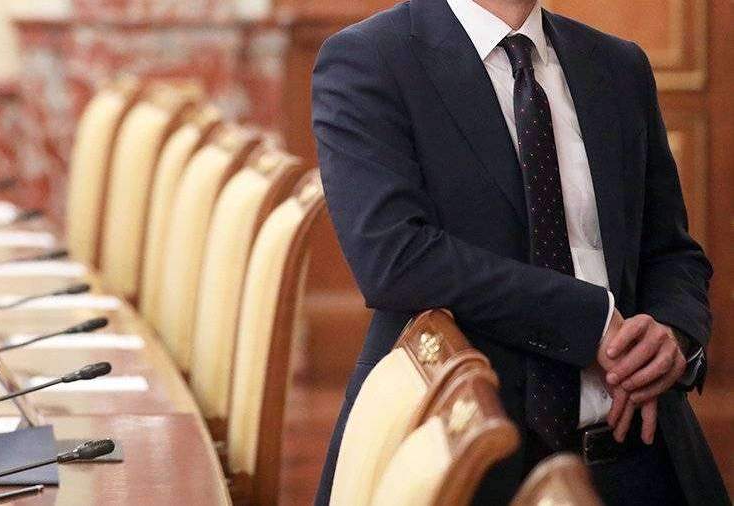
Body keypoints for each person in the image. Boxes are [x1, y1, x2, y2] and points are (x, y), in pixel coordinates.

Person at [311, 0, 729, 504]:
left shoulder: (618, 65)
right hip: (476, 457)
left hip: (638, 449)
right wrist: (591, 322)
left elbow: (671, 251)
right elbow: (394, 259)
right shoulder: (370, 60)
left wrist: (673, 333)